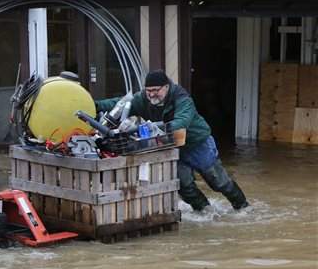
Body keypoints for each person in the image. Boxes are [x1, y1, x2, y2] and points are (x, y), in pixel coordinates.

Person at [96, 70, 249, 212]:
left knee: (218, 181)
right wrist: (95, 105)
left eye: (156, 90)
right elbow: (119, 104)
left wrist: (155, 127)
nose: (152, 95)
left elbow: (182, 121)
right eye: (149, 91)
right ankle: (205, 211)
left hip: (197, 143)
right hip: (172, 147)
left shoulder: (182, 98)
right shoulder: (142, 99)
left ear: (167, 87)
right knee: (184, 185)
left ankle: (243, 207)